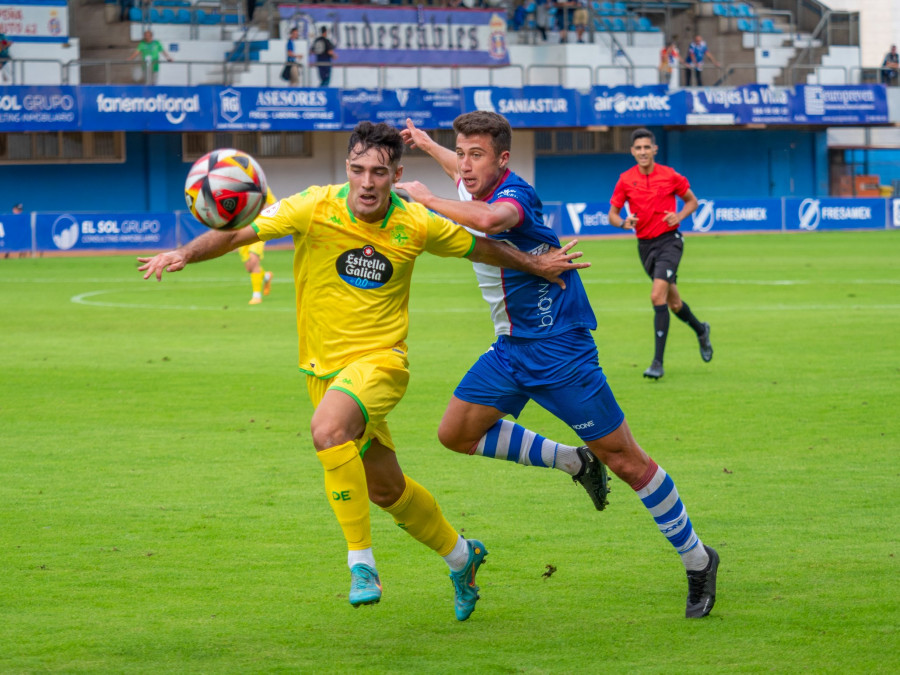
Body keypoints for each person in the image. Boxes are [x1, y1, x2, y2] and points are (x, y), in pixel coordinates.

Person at [137, 121, 587, 621]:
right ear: (347, 169)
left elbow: (482, 246)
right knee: (387, 490)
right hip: (322, 372)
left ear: (396, 174)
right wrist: (183, 252)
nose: (367, 182)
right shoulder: (314, 205)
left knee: (327, 431)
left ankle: (362, 563)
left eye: (378, 172)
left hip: (381, 364)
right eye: (357, 170)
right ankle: (462, 556)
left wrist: (535, 263)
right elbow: (240, 233)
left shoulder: (415, 222)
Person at [398, 113, 720, 619]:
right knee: (455, 434)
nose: (465, 164)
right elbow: (458, 174)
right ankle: (573, 461)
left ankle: (699, 559)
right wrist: (427, 145)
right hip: (509, 348)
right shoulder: (470, 175)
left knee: (628, 461)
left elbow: (486, 221)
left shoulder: (515, 196)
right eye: (462, 153)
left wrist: (425, 198)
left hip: (560, 350)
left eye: (476, 154)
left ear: (503, 159)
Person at [607, 128, 712, 380]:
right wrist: (624, 222)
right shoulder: (625, 179)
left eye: (647, 147)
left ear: (655, 149)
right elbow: (612, 215)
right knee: (674, 303)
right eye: (638, 148)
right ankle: (701, 330)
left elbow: (692, 201)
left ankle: (657, 363)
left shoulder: (670, 175)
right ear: (632, 152)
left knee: (657, 297)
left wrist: (679, 215)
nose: (643, 152)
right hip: (645, 247)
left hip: (670, 242)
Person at [241, 188, 276, 304]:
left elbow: (274, 206)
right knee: (249, 267)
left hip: (258, 227)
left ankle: (256, 296)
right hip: (242, 229)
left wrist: (261, 210)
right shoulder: (235, 188)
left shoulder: (262, 187)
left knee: (253, 258)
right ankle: (266, 276)